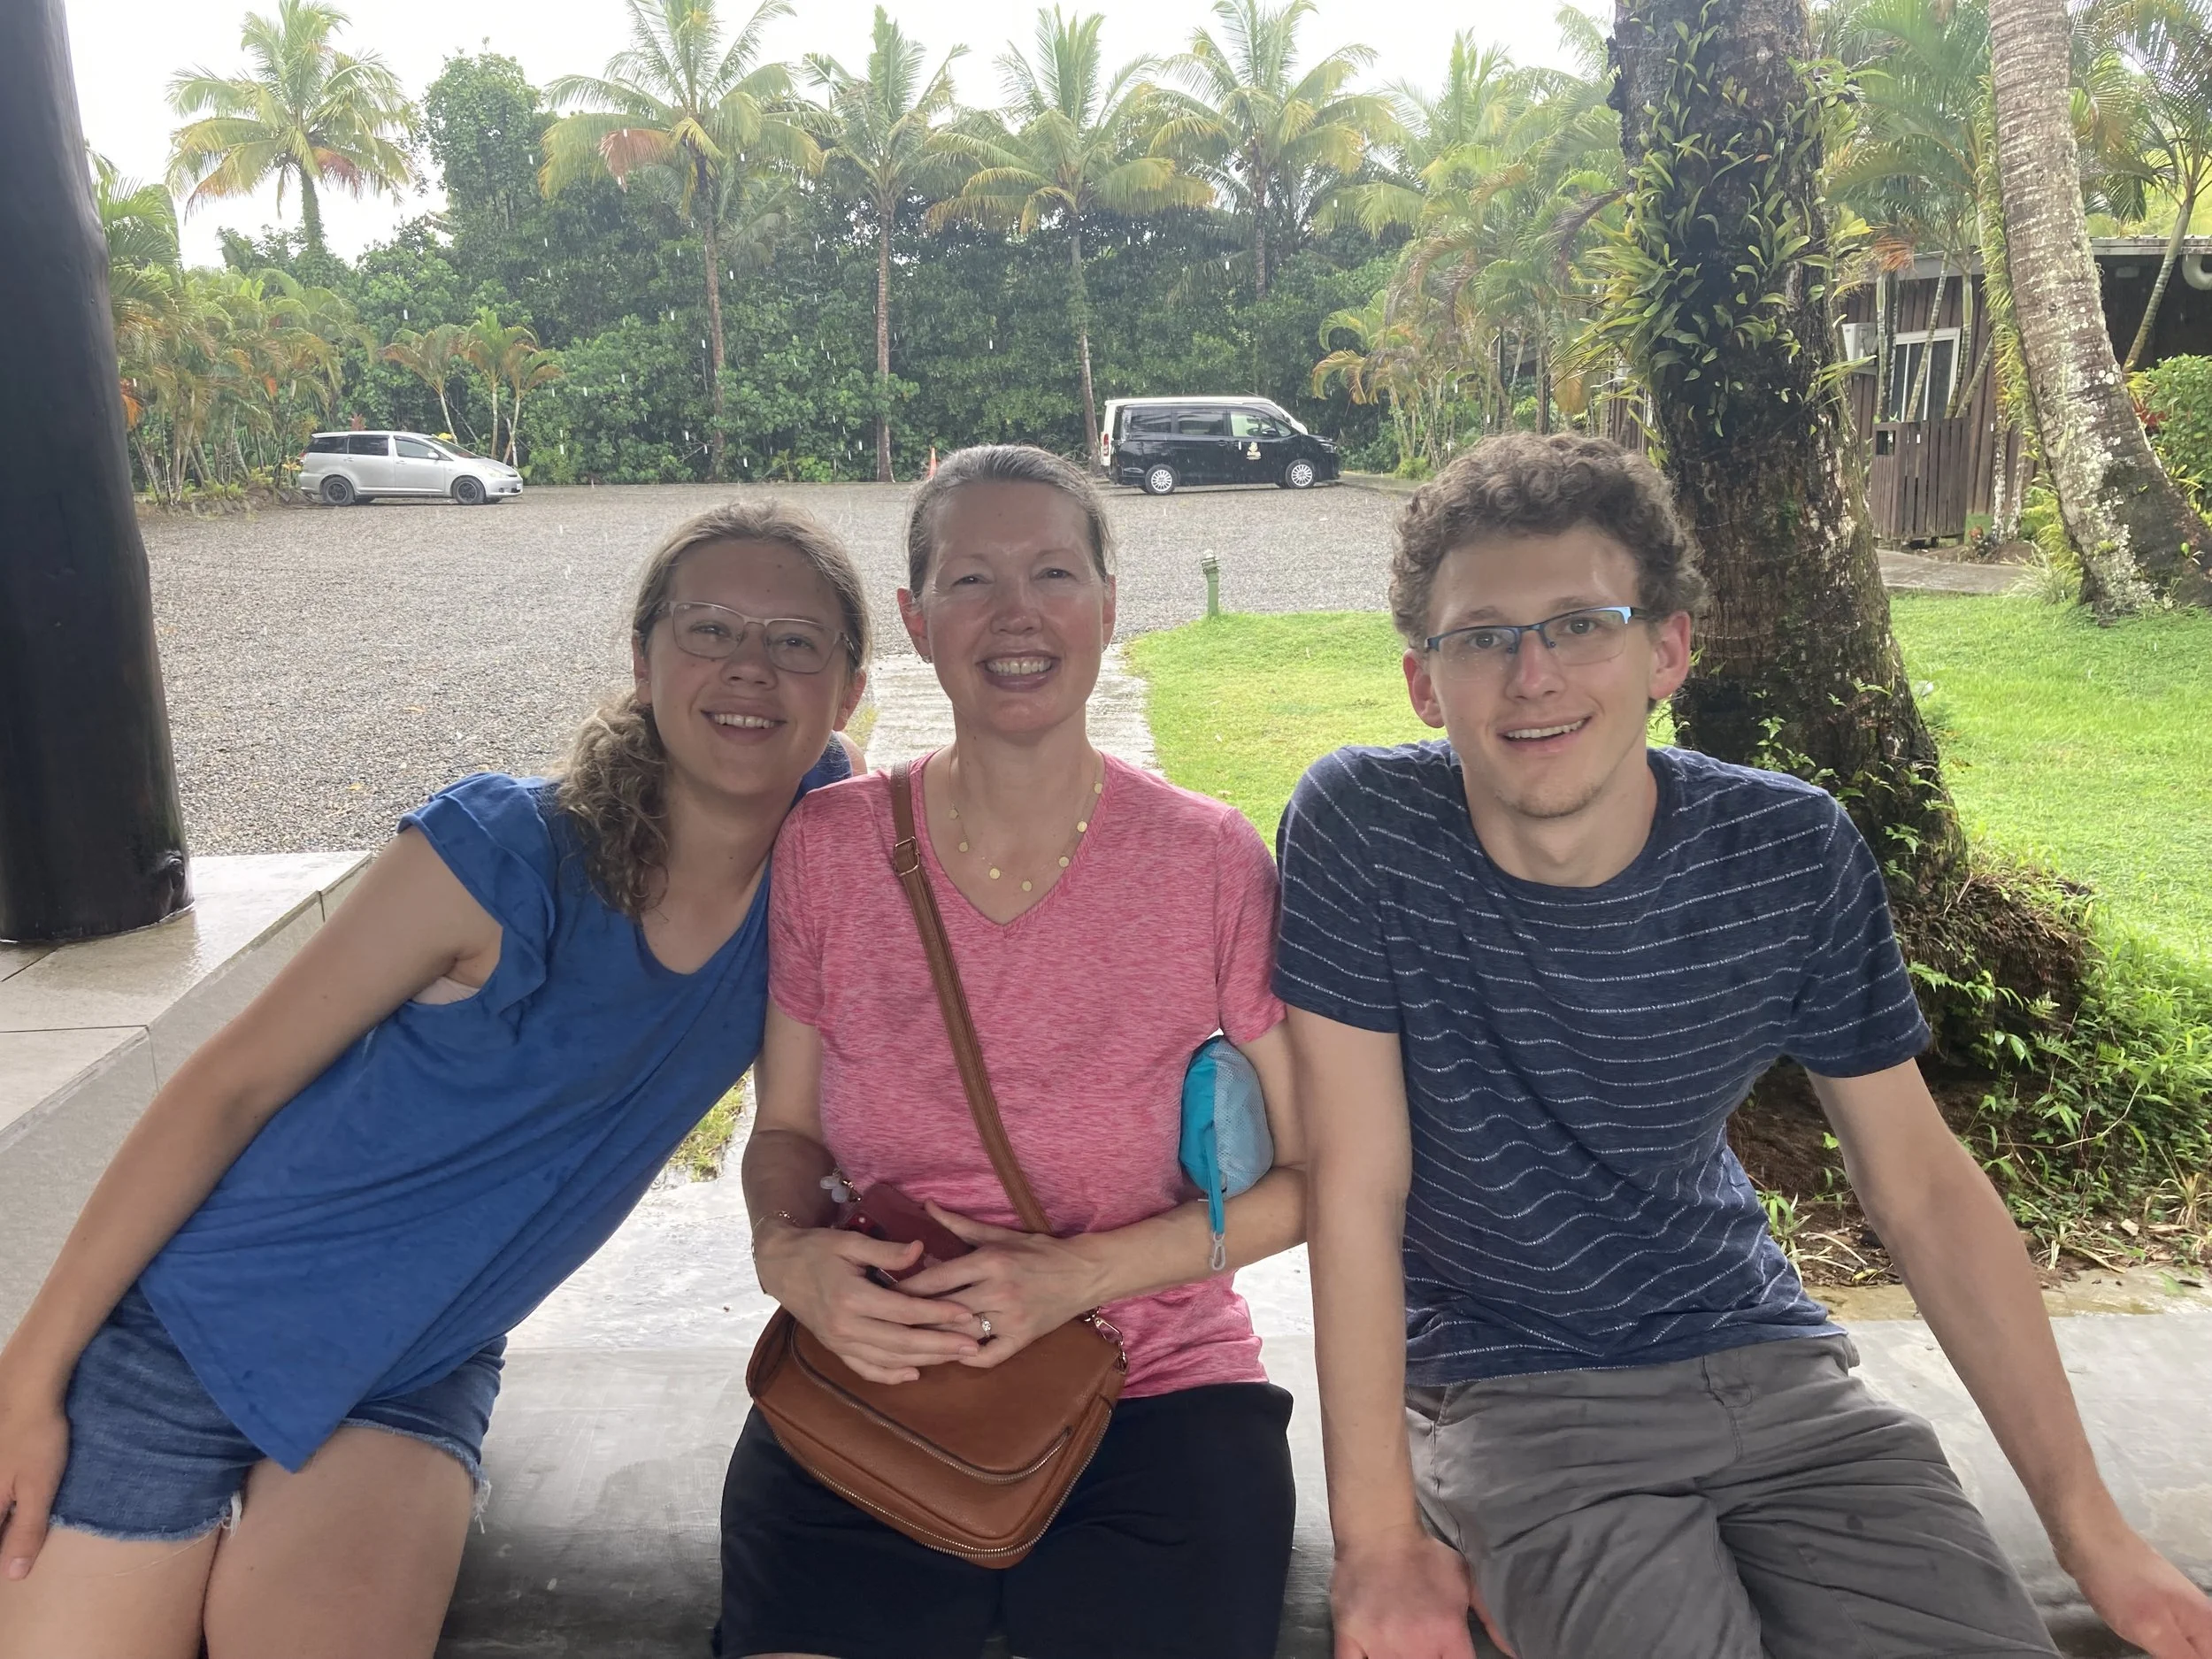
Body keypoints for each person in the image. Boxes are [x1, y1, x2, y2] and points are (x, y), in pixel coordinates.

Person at [1277, 432, 2212, 1659]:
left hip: (1773, 1370)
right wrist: (1379, 1541)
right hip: (1516, 1386)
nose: (1532, 675)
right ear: (1422, 681)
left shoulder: (1786, 851)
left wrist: (2093, 1533)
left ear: (1666, 650)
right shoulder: (1364, 829)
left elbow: (1919, 1184)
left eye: (1581, 624)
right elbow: (1357, 1186)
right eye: (1483, 637)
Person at [0, 501, 870, 1659]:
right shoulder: (503, 850)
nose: (750, 666)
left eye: (796, 640)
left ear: (850, 690)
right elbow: (230, 1086)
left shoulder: (829, 862)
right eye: (709, 627)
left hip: (417, 1368)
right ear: (644, 660)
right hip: (193, 1334)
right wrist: (31, 1370)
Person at [721, 443, 1306, 1659]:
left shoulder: (1206, 857)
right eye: (972, 580)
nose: (1017, 614)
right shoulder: (830, 847)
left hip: (1158, 1388)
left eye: (1053, 572)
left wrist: (1077, 1277)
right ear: (916, 619)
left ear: (1108, 602)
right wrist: (788, 1256)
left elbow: (1307, 1180)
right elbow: (788, 1132)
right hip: (883, 1370)